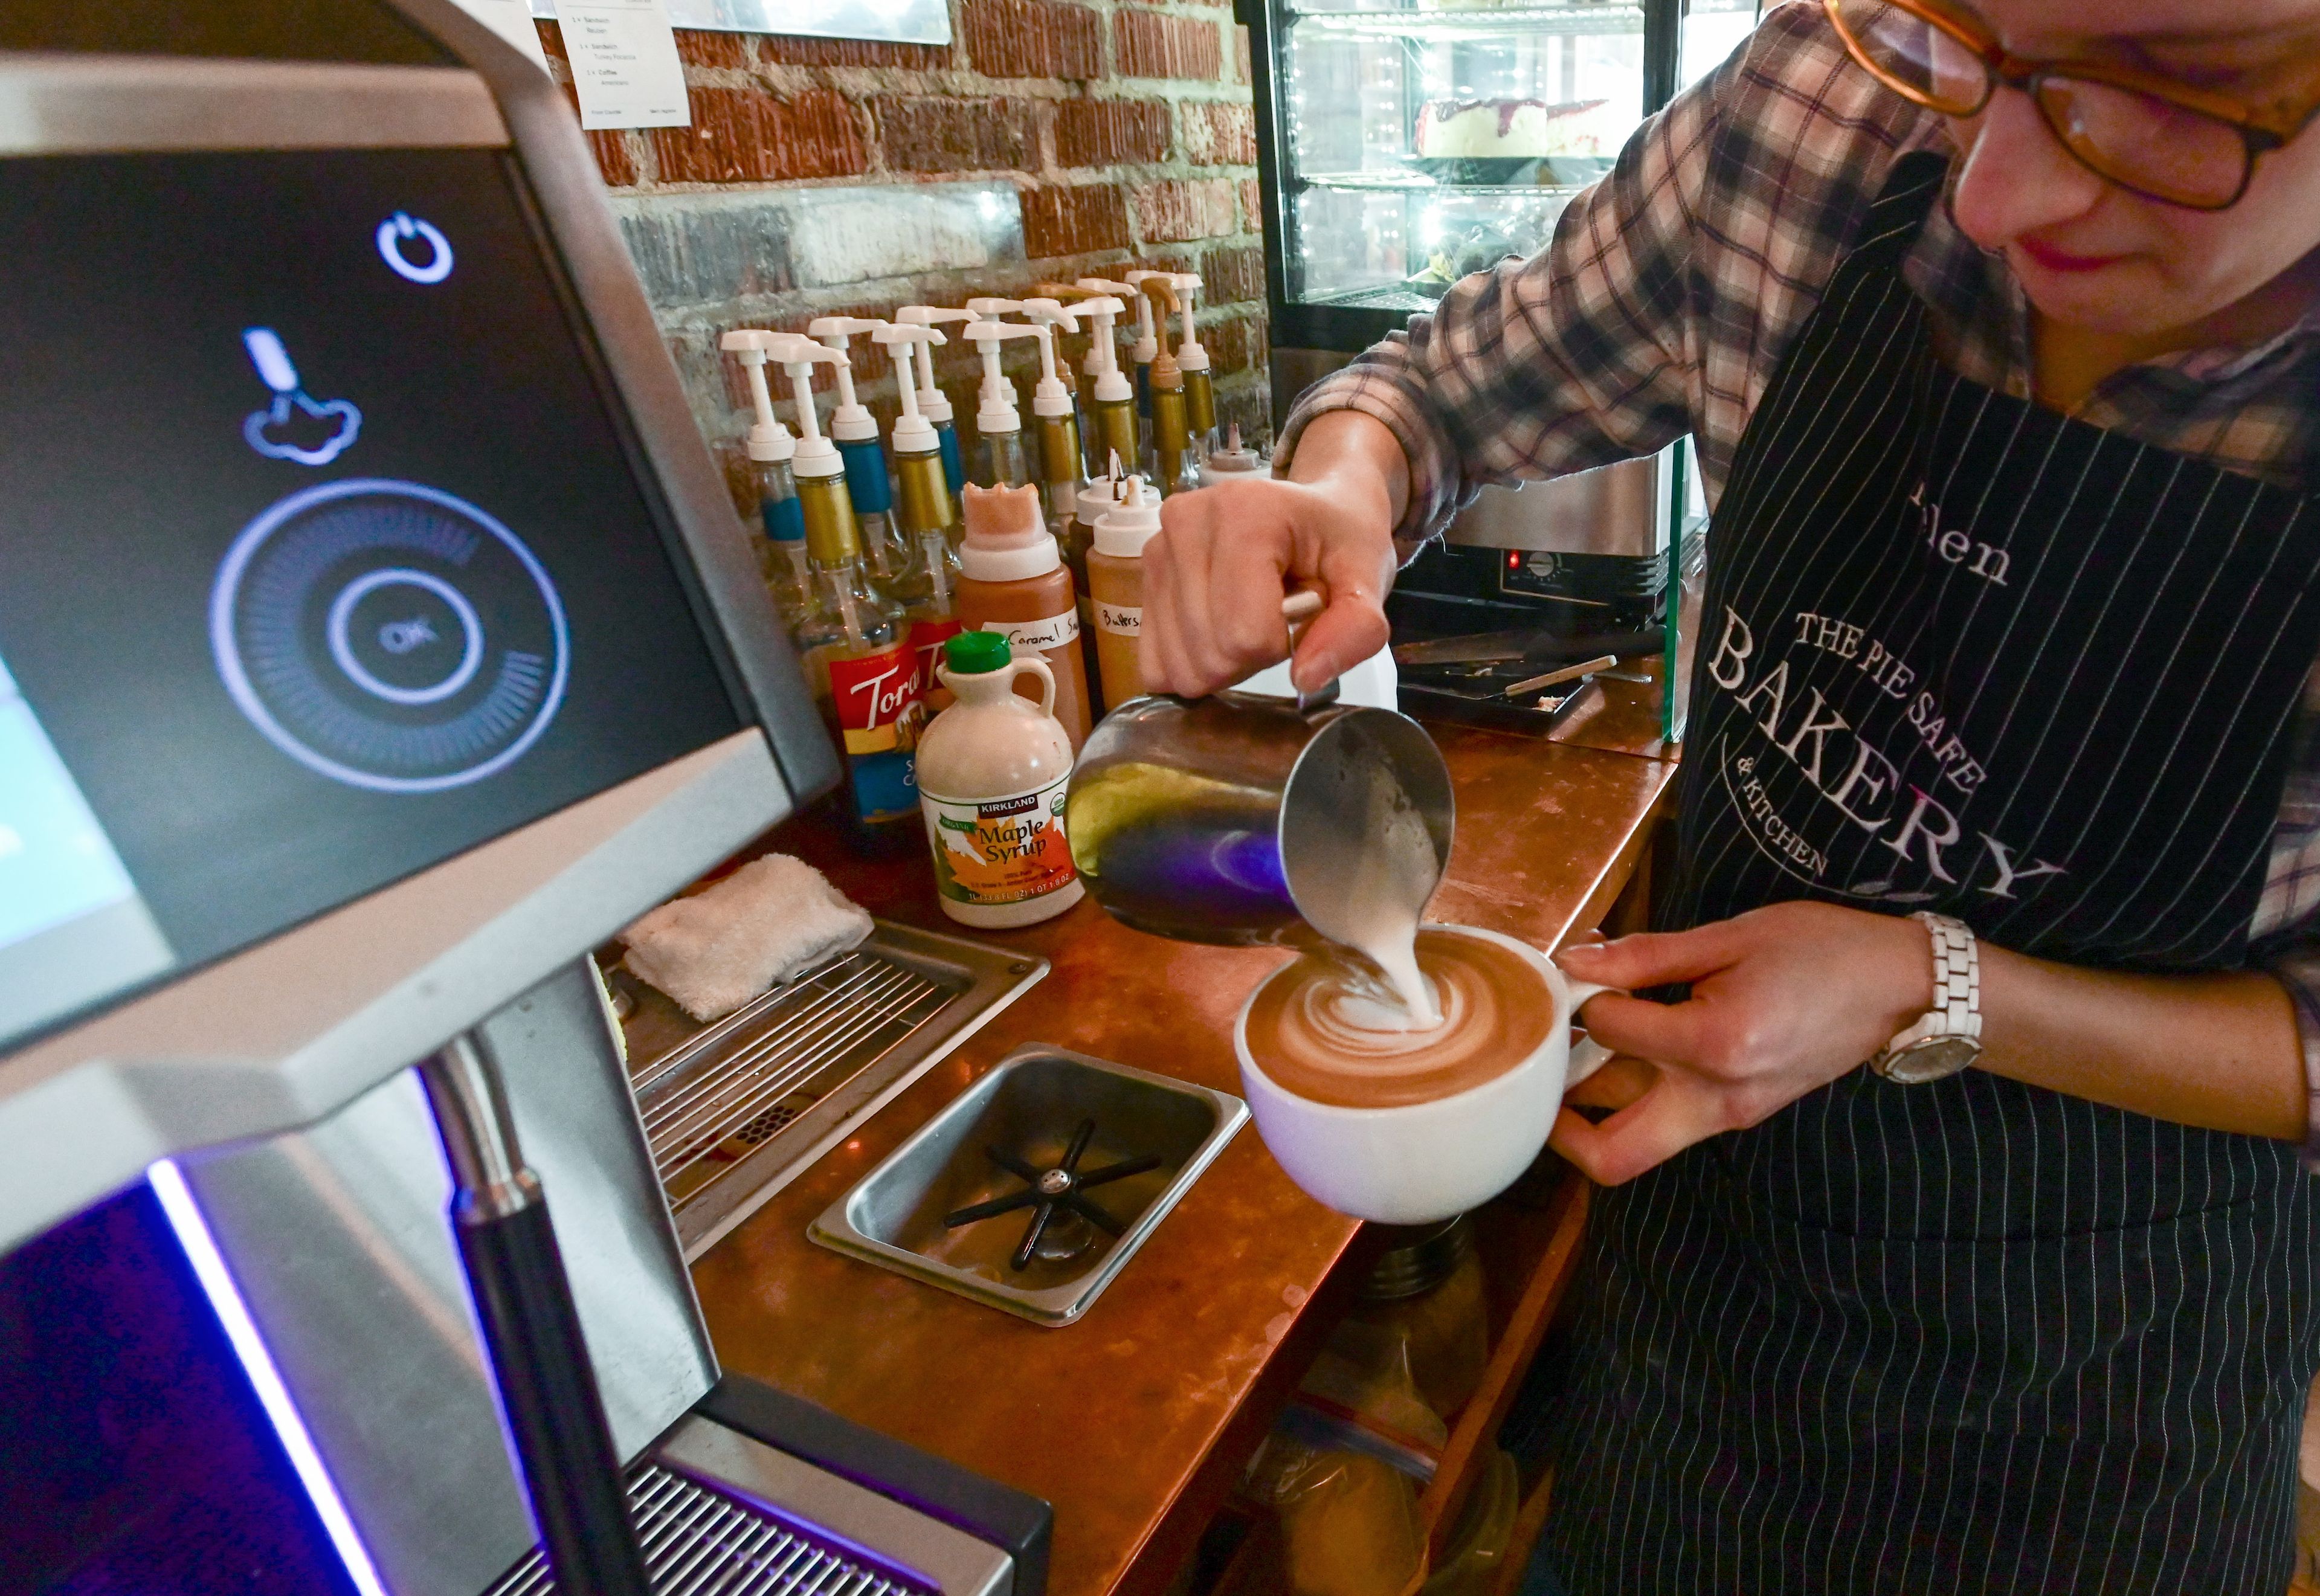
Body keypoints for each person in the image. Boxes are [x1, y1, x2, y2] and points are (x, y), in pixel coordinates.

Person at [1142, 1, 2320, 1588]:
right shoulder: (1825, 110)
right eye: (1965, 35)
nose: (1992, 195)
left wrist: (1932, 975)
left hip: (2103, 1404)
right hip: (1708, 1305)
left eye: (2168, 93)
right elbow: (1438, 387)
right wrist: (1341, 478)